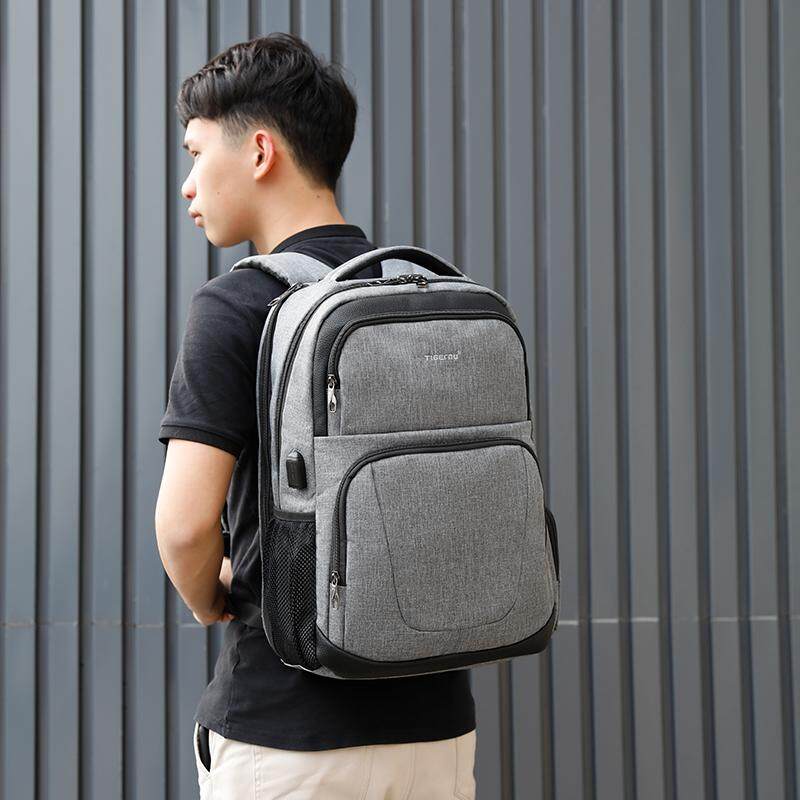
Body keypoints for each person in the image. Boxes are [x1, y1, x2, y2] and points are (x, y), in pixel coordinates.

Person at [153, 31, 477, 800]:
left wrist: (212, 595)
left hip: (289, 738)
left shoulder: (238, 304)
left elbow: (185, 527)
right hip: (438, 732)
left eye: (196, 153)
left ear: (260, 151)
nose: (188, 185)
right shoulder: (422, 292)